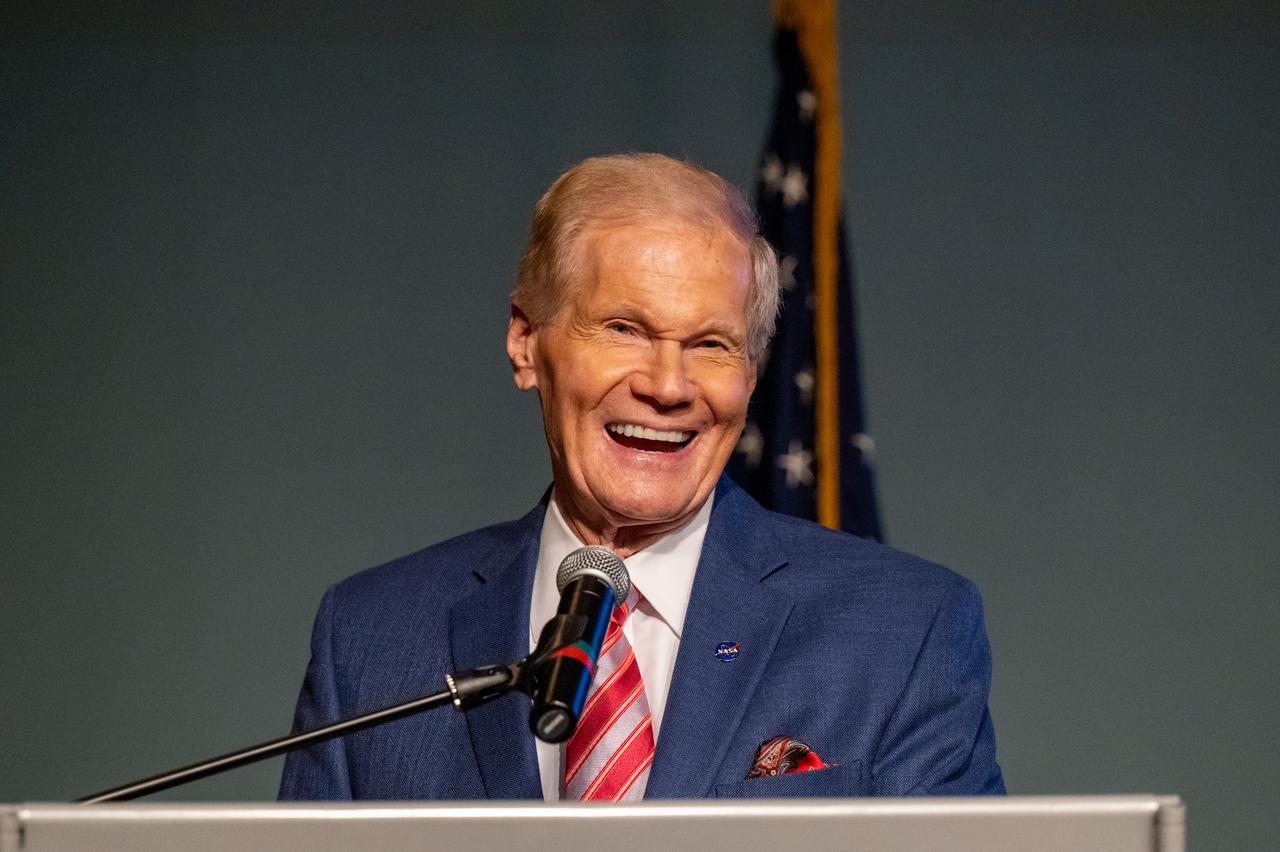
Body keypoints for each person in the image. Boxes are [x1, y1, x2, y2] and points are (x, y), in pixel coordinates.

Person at [279, 153, 1003, 801]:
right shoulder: (371, 638)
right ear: (526, 342)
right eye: (624, 329)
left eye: (711, 344)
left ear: (751, 376)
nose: (667, 386)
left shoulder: (906, 630)